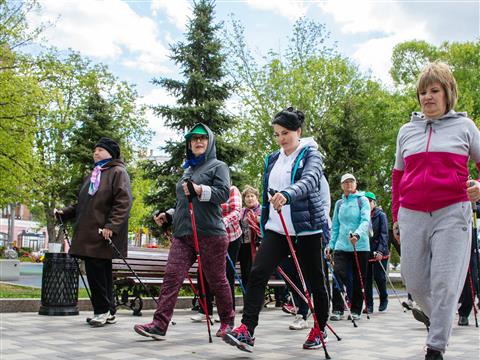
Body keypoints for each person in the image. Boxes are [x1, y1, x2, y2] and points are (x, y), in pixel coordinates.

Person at [391, 62, 480, 360]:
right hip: (412, 213)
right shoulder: (406, 131)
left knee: (444, 282)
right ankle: (441, 317)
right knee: (413, 281)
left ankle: (435, 347)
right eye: (422, 92)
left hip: (452, 212)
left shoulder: (465, 127)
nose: (427, 97)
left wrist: (478, 185)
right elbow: (398, 176)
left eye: (434, 90)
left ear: (447, 93)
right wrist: (395, 216)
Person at [223, 107, 330, 352]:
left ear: (298, 131)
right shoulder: (273, 158)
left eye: (286, 133)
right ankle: (247, 330)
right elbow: (265, 191)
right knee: (258, 272)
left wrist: (288, 195)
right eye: (277, 134)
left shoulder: (310, 154)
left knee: (315, 281)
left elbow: (310, 179)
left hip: (306, 229)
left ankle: (320, 327)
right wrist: (265, 218)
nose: (281, 139)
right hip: (277, 228)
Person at [133, 123, 234, 339]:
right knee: (171, 277)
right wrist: (168, 215)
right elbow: (182, 203)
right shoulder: (188, 169)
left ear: (209, 142)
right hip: (183, 235)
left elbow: (223, 193)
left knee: (216, 279)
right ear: (189, 144)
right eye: (193, 139)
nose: (198, 142)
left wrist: (200, 190)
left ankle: (227, 322)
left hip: (210, 234)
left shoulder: (218, 166)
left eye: (202, 138)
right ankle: (159, 325)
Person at [56, 137, 132, 327]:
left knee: (97, 273)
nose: (95, 153)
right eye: (94, 150)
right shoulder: (96, 174)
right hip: (90, 232)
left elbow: (123, 202)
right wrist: (64, 213)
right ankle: (109, 311)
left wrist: (111, 227)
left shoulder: (117, 172)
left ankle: (101, 311)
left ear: (111, 153)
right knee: (101, 272)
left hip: (102, 233)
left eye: (100, 150)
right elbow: (83, 203)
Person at [191, 184, 242, 329]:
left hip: (231, 236)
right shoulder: (206, 190)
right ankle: (205, 310)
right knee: (203, 271)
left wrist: (221, 222)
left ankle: (227, 312)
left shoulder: (232, 190)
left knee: (225, 275)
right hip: (210, 236)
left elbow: (237, 212)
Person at [326, 173, 370, 321]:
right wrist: (331, 245)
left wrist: (357, 234)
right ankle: (338, 309)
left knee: (359, 278)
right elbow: (336, 227)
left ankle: (356, 309)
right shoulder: (339, 204)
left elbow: (365, 220)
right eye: (345, 182)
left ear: (355, 185)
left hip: (360, 245)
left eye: (351, 182)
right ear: (341, 185)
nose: (348, 184)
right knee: (338, 275)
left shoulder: (362, 200)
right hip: (341, 245)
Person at [364, 191, 389, 314]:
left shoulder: (381, 215)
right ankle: (369, 305)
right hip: (366, 251)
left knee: (380, 277)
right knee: (367, 279)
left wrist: (380, 250)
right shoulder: (362, 216)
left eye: (369, 202)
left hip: (380, 251)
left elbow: (384, 234)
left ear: (374, 203)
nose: (367, 204)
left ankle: (384, 298)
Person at [238, 186, 261, 291]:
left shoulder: (261, 211)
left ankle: (255, 301)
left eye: (252, 196)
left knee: (254, 274)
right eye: (247, 196)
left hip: (257, 246)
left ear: (256, 198)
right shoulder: (241, 212)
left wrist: (258, 220)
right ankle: (246, 299)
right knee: (245, 274)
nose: (250, 198)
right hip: (244, 246)